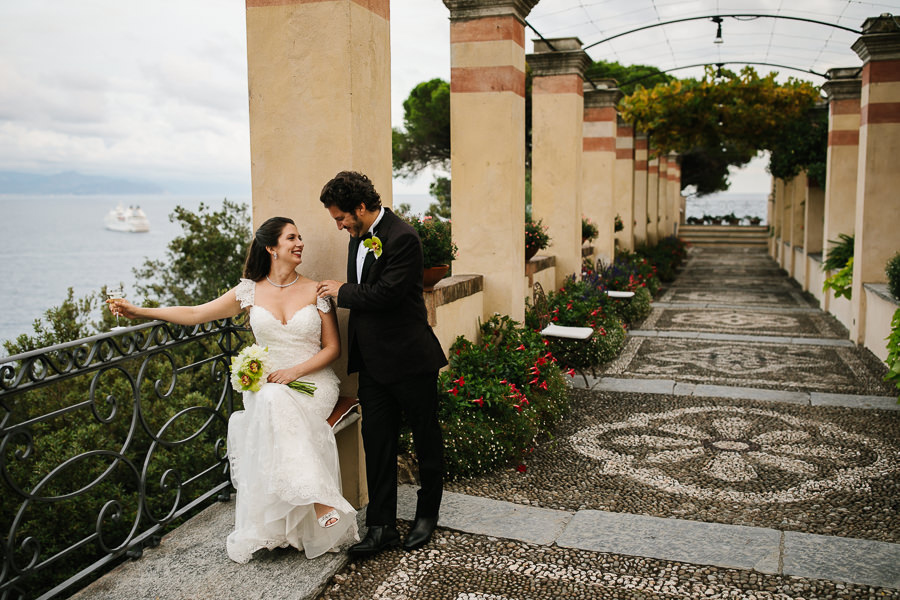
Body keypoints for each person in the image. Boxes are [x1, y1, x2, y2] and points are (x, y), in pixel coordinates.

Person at [108, 216, 358, 563]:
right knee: (270, 398)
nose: (300, 243)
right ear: (272, 248)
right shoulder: (249, 291)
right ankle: (313, 502)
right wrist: (140, 310)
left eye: (300, 238)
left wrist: (293, 371)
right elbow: (196, 312)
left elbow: (333, 349)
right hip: (271, 387)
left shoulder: (316, 291)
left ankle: (313, 502)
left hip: (313, 384)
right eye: (291, 238)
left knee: (272, 401)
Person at [316, 171, 446, 558]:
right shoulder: (358, 238)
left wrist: (342, 292)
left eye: (341, 218)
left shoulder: (403, 236)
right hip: (371, 364)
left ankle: (427, 514)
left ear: (360, 206)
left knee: (426, 439)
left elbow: (388, 294)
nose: (340, 226)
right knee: (377, 444)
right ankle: (381, 526)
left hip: (410, 359)